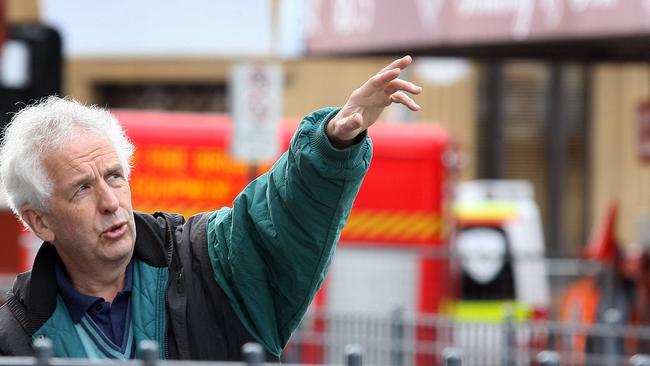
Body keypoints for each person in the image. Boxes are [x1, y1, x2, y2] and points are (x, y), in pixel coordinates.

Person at [0, 56, 421, 360]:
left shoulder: (205, 261)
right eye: (81, 189)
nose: (110, 203)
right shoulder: (12, 338)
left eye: (114, 176)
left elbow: (277, 217)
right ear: (39, 220)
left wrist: (330, 144)